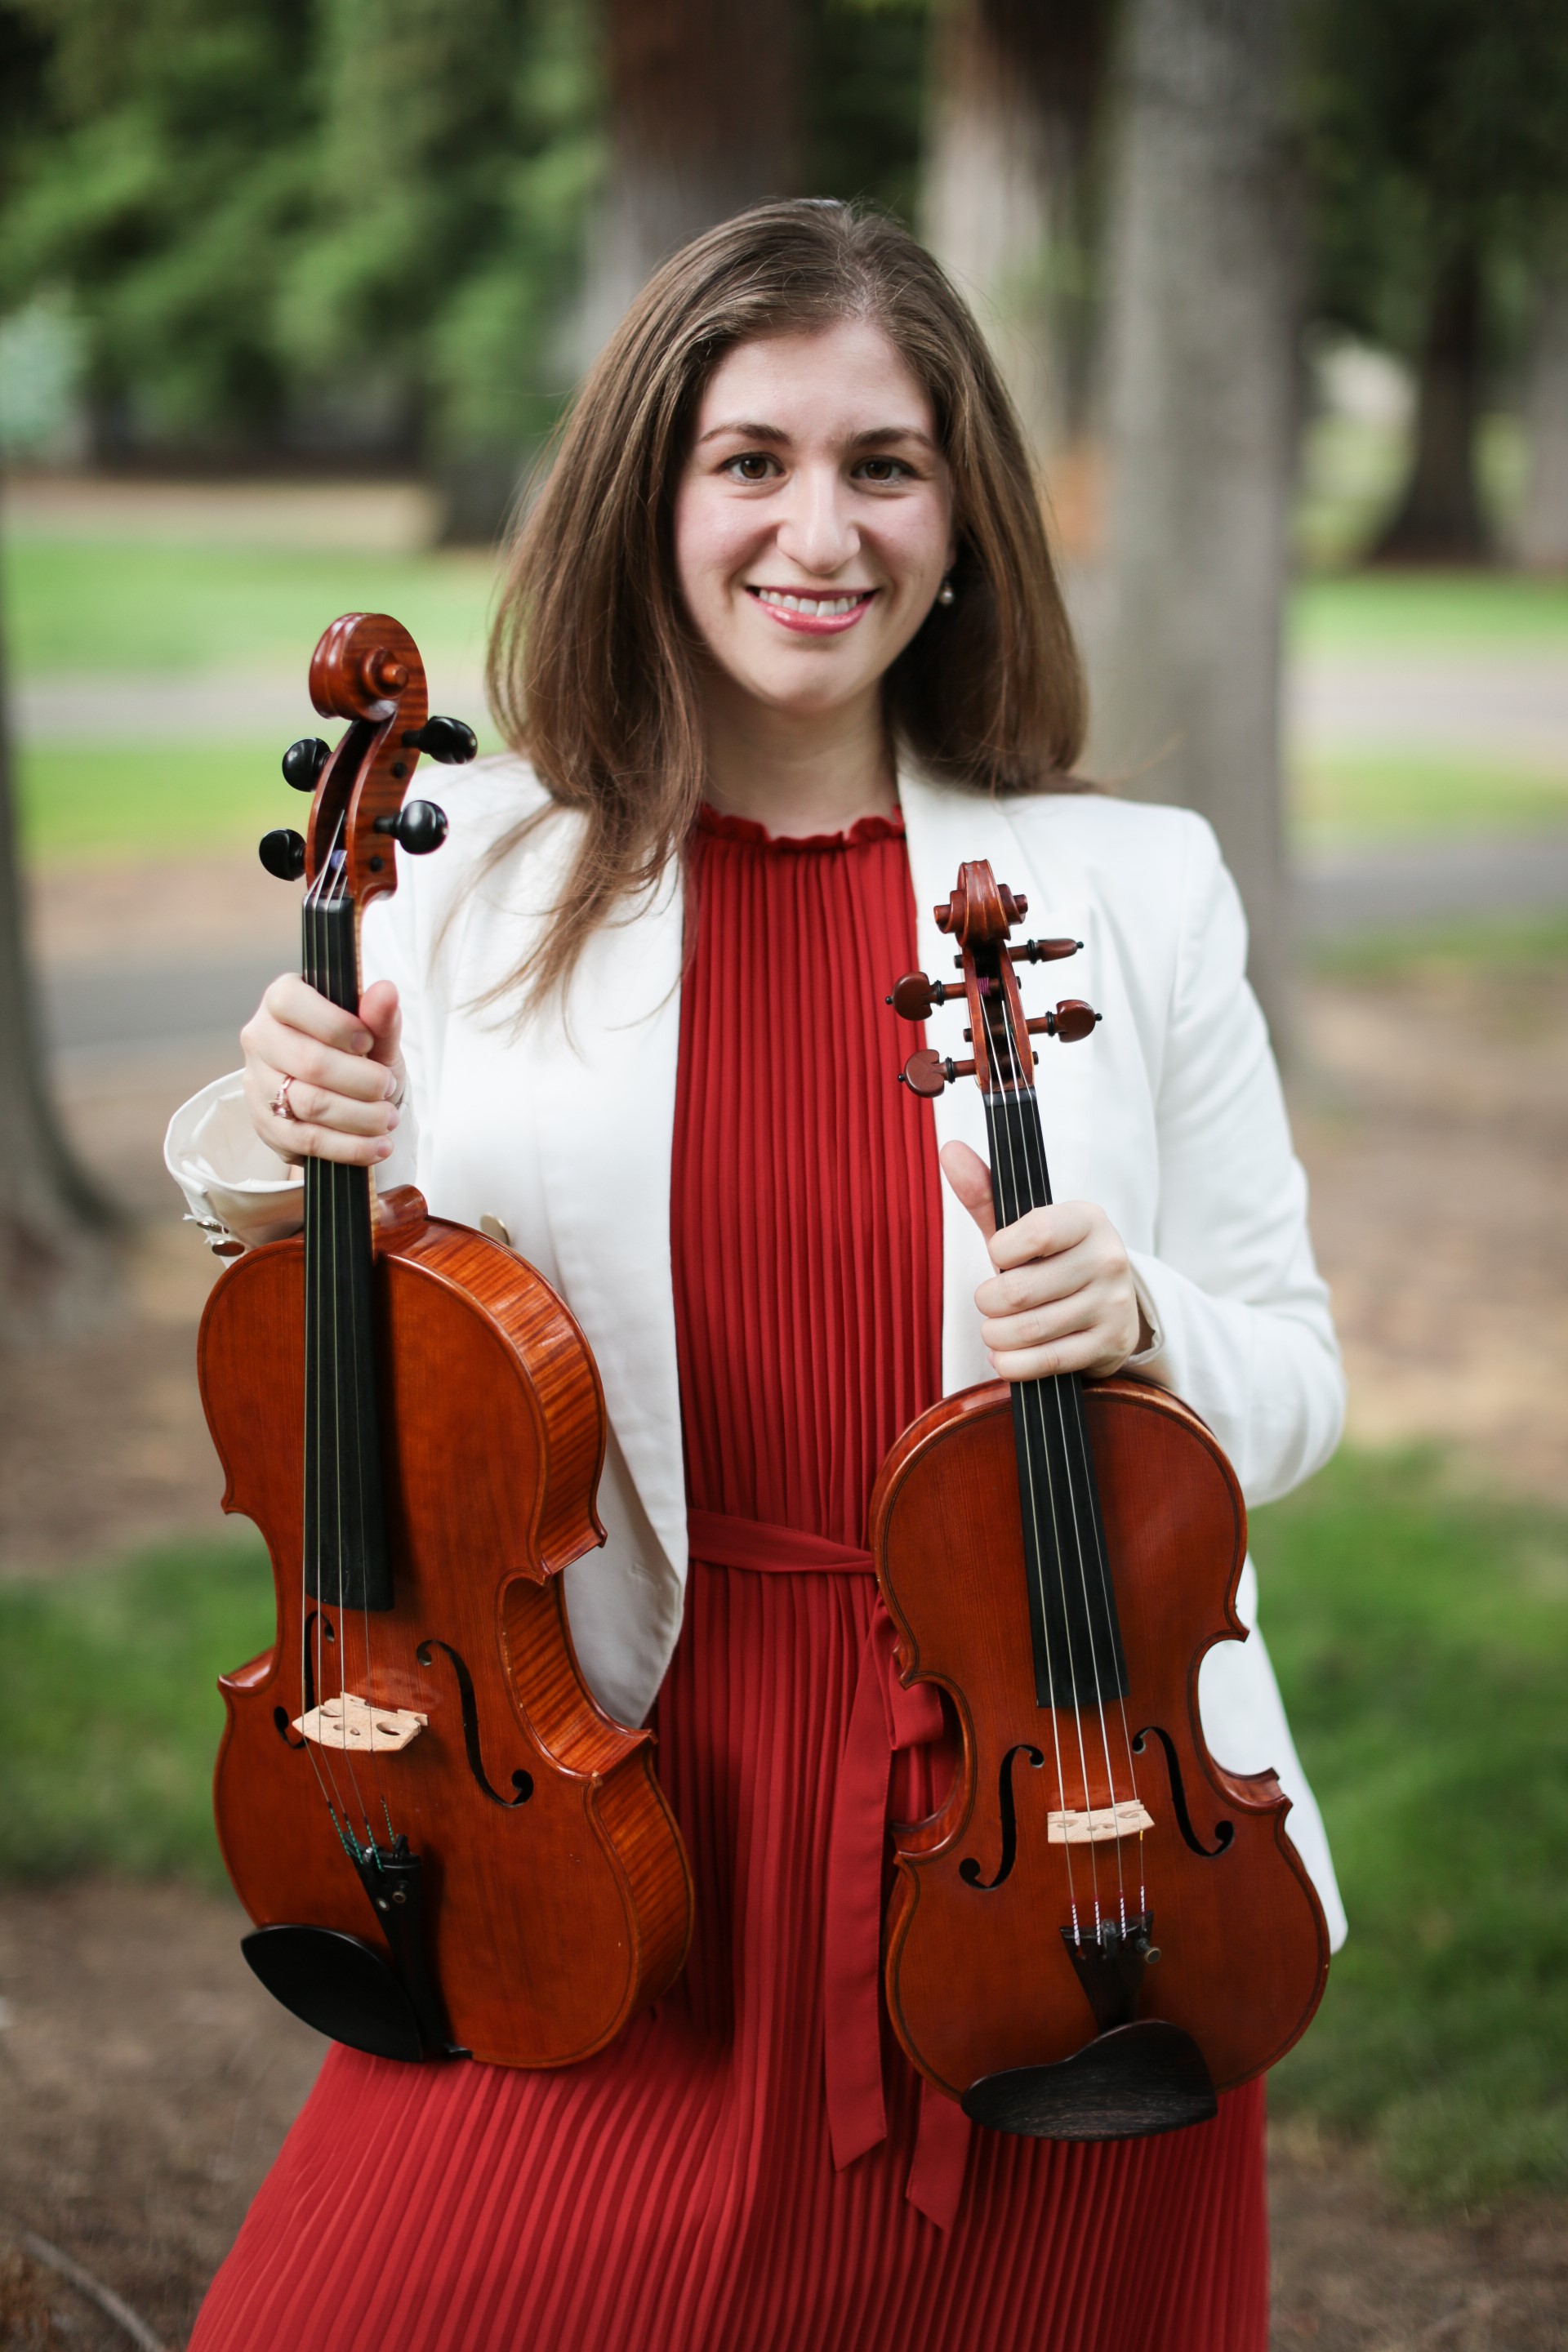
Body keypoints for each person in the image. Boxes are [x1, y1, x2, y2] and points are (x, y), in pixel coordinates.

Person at [167, 199, 1346, 2352]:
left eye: (882, 464)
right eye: (754, 461)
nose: (823, 528)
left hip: (1050, 1835)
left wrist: (1145, 1327)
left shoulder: (1137, 890)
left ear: (962, 511)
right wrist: (268, 1127)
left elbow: (1291, 1389)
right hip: (621, 1795)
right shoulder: (474, 879)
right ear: (656, 498)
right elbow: (338, 1326)